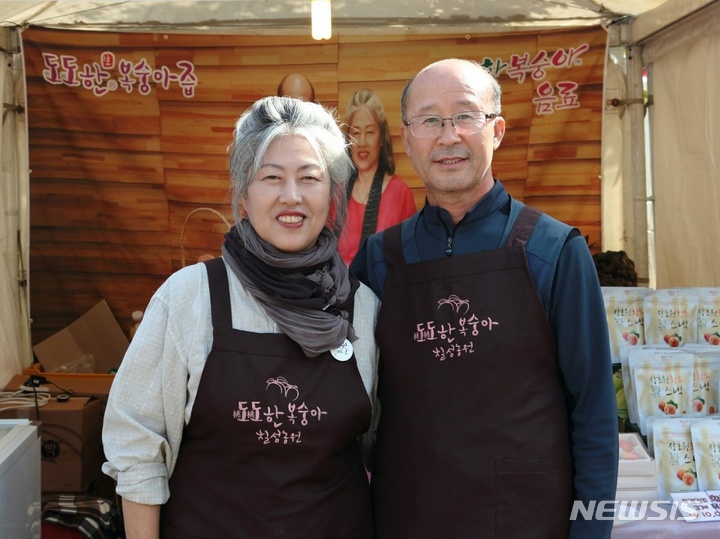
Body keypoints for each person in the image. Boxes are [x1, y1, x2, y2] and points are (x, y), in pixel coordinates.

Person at [351, 59, 618, 538]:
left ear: (496, 130)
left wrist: (591, 532)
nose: (448, 135)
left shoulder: (554, 251)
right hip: (408, 515)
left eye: (465, 116)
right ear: (408, 139)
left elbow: (594, 412)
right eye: (429, 120)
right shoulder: (378, 261)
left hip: (527, 517)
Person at [102, 96, 380, 538]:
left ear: (332, 193)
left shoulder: (363, 308)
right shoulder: (190, 297)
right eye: (272, 177)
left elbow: (379, 446)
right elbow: (137, 447)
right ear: (244, 192)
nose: (292, 195)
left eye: (310, 178)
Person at [338, 88, 416, 265]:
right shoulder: (337, 192)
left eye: (370, 132)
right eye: (356, 132)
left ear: (381, 138)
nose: (362, 141)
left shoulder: (399, 193)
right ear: (348, 139)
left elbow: (410, 259)